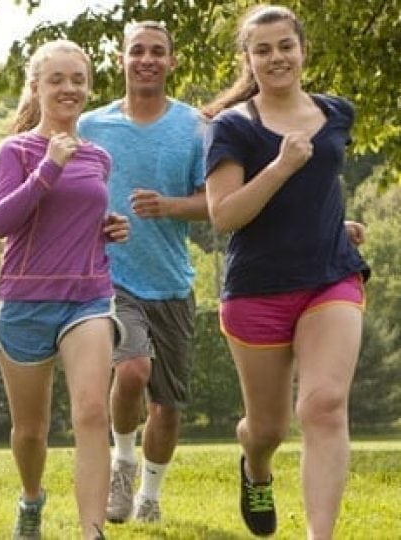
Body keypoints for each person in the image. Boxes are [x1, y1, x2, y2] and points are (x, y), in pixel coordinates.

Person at [202, 5, 370, 538]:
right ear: (248, 59)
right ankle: (255, 468)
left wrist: (335, 223)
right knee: (268, 428)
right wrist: (279, 166)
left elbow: (318, 189)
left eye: (285, 46)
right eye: (263, 49)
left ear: (302, 50)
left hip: (331, 277)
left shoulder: (336, 113)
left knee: (323, 405)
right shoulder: (233, 127)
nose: (276, 57)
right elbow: (225, 214)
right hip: (256, 289)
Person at [0, 39, 130, 540]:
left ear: (88, 87)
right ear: (37, 87)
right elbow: (1, 222)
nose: (69, 89)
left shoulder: (99, 157)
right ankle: (31, 499)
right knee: (30, 431)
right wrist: (49, 166)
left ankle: (92, 532)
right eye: (57, 80)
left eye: (77, 80)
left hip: (88, 295)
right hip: (24, 299)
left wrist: (108, 225)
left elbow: (79, 215)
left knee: (92, 410)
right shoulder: (16, 150)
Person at [77, 21, 208, 524]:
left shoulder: (195, 127)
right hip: (113, 279)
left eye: (157, 52)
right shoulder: (92, 127)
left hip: (173, 281)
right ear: (121, 60)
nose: (147, 59)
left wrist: (169, 206)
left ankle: (150, 495)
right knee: (132, 370)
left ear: (172, 61)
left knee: (168, 407)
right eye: (137, 52)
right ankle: (122, 465)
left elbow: (217, 204)